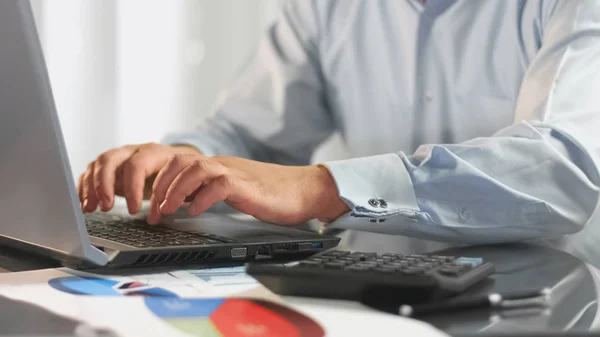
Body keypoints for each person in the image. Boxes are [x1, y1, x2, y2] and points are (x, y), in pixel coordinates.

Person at [78, 0, 600, 254]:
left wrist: (322, 187)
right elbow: (247, 137)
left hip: (548, 311)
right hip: (363, 302)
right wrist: (186, 163)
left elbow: (563, 166)